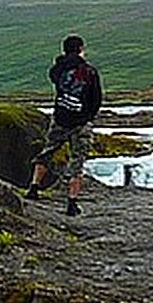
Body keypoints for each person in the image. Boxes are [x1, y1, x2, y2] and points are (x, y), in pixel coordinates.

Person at [31, 35, 104, 215]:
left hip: (60, 118)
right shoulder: (90, 72)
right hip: (80, 123)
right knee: (77, 160)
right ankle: (71, 203)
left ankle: (33, 188)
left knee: (48, 151)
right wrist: (88, 116)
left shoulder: (58, 70)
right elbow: (97, 99)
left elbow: (55, 76)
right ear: (81, 48)